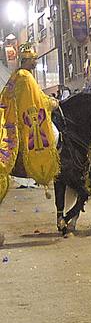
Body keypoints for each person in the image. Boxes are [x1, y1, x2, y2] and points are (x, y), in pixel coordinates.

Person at [0, 43, 58, 208]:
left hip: (14, 118)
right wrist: (52, 103)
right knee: (55, 134)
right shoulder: (26, 77)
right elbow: (37, 101)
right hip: (25, 122)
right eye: (34, 60)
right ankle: (43, 167)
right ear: (27, 60)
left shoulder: (17, 75)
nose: (36, 63)